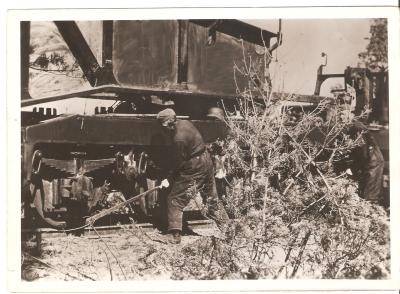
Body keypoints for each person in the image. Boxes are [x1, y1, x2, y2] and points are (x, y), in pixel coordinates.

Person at [157, 108, 229, 244]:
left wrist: (168, 178)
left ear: (167, 124)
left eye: (162, 126)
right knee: (211, 200)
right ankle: (230, 231)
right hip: (206, 160)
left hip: (195, 165)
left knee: (175, 199)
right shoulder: (185, 123)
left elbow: (179, 162)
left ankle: (174, 235)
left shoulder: (179, 139)